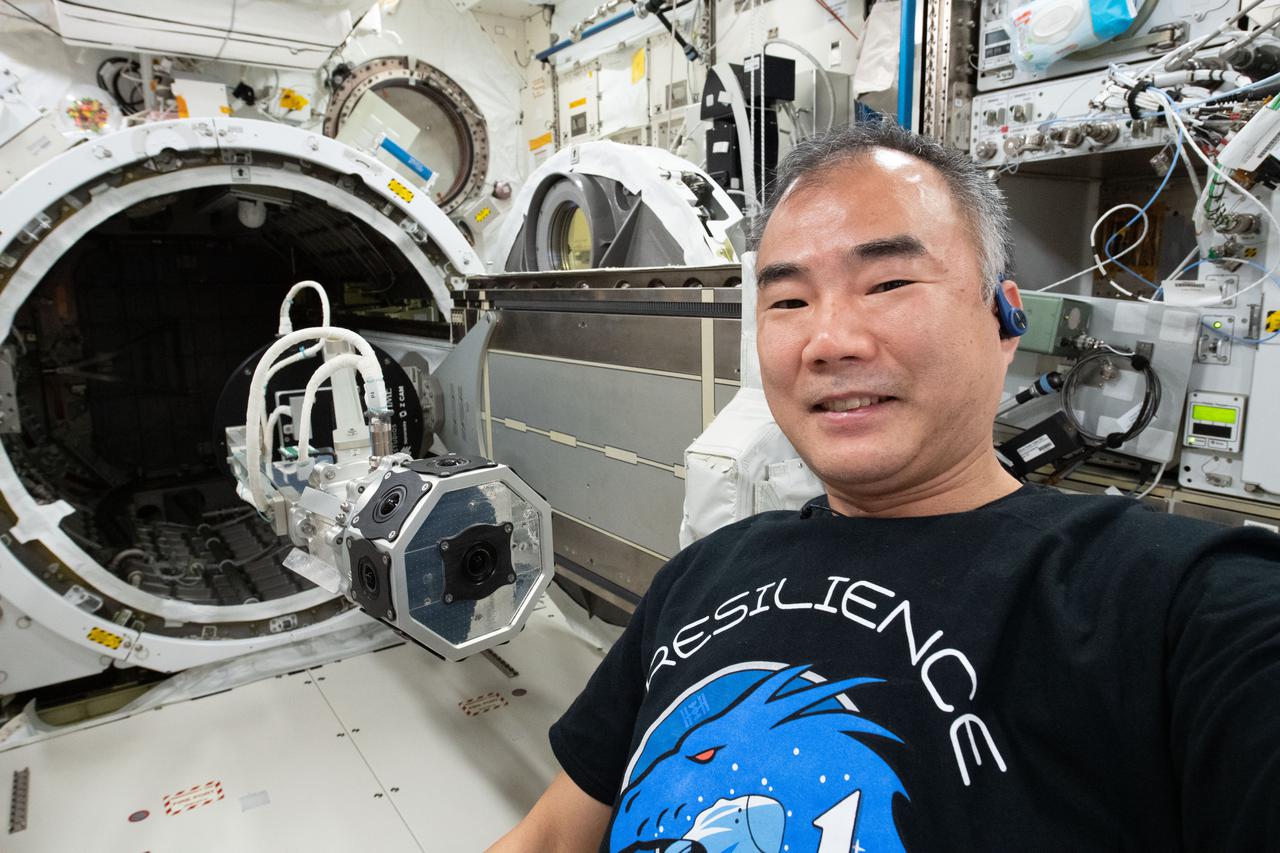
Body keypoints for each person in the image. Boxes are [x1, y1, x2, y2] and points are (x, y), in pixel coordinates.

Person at [489, 122, 1280, 852]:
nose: (829, 341)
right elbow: (555, 833)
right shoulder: (699, 577)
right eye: (789, 300)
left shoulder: (1172, 602)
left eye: (889, 283)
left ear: (1008, 318)